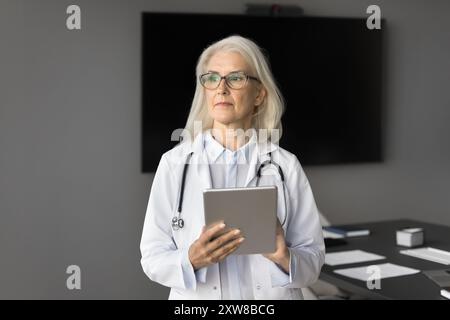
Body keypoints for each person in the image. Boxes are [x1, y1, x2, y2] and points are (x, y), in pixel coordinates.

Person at [140, 35, 325, 300]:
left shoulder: (285, 165)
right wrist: (191, 259)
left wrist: (284, 257)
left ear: (259, 94)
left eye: (235, 78)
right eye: (212, 78)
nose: (221, 88)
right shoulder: (175, 164)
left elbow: (314, 261)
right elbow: (152, 258)